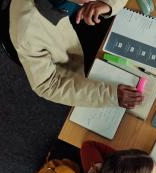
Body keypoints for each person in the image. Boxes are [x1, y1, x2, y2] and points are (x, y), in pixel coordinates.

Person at [10, 0, 144, 109]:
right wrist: (110, 96)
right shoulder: (27, 33)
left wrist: (109, 4)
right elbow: (46, 85)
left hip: (97, 27)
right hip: (80, 70)